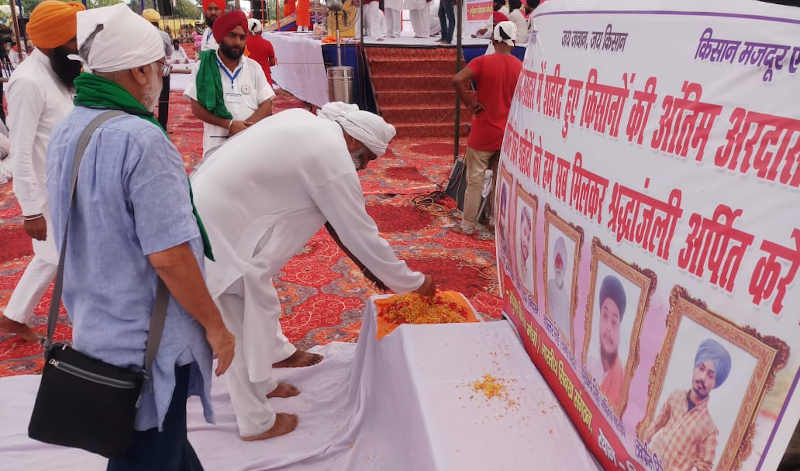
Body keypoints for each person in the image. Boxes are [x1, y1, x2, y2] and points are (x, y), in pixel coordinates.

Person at [46, 5, 236, 469]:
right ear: (138, 69)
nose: (161, 77)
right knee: (149, 450)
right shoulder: (142, 140)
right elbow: (170, 256)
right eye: (160, 67)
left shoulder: (70, 127)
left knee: (159, 447)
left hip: (97, 323)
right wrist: (216, 326)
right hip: (145, 342)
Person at [191, 102, 436, 441]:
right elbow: (358, 232)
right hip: (218, 232)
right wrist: (412, 282)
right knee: (238, 319)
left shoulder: (305, 122)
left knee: (254, 303)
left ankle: (263, 381)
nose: (362, 168)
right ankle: (255, 422)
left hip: (216, 216)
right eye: (365, 159)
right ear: (354, 141)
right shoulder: (331, 156)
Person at [0, 0, 85, 343]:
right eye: (74, 41)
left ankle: (13, 315)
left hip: (72, 183)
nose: (79, 48)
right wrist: (31, 210)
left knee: (53, 256)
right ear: (53, 42)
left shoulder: (61, 72)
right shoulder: (28, 82)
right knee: (61, 258)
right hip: (48, 190)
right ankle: (87, 335)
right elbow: (19, 153)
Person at [452, 21, 522, 236]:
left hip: (483, 133)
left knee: (475, 181)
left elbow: (457, 79)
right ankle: (493, 221)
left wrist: (471, 104)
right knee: (499, 182)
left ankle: (467, 225)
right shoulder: (520, 66)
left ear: (494, 40)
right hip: (507, 133)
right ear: (513, 42)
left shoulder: (482, 62)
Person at [185, 10, 274, 159]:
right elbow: (196, 108)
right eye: (232, 35)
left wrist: (245, 127)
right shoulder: (203, 68)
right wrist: (229, 124)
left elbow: (267, 103)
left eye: (242, 37)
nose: (238, 42)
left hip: (250, 144)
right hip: (216, 147)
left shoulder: (253, 67)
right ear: (220, 37)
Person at [643, 339, 732, 471]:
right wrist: (641, 444)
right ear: (695, 368)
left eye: (710, 375)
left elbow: (704, 467)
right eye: (701, 368)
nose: (702, 377)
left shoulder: (709, 429)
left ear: (715, 383)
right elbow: (656, 425)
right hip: (647, 462)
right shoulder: (675, 397)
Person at [589, 275, 626, 412]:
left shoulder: (621, 377)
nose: (608, 328)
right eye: (605, 316)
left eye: (614, 321)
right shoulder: (590, 362)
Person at [143, 9, 174, 130]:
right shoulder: (164, 35)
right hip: (161, 70)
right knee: (164, 98)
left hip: (144, 71)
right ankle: (163, 125)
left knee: (145, 96)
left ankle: (146, 121)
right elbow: (169, 52)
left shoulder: (139, 35)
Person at [547, 236, 570, 338]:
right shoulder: (549, 286)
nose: (558, 266)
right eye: (557, 262)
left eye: (561, 263)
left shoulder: (567, 297)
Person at [245, 18, 276, 87]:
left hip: (248, 81)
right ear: (261, 30)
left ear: (247, 30)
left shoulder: (242, 44)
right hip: (265, 81)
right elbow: (273, 62)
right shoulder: (268, 44)